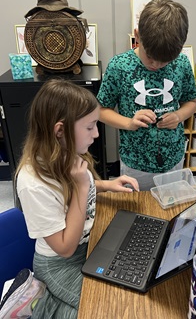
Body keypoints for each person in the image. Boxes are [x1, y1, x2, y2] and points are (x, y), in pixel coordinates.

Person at [1, 79, 139, 319]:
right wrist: (81, 187)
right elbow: (64, 248)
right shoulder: (32, 183)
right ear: (59, 131)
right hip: (59, 264)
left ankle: (51, 300)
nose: (96, 133)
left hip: (87, 245)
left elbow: (66, 194)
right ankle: (43, 306)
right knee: (104, 310)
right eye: (90, 127)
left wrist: (106, 185)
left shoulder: (66, 153)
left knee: (125, 291)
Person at [97, 0, 196, 190]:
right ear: (137, 35)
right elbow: (100, 110)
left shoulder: (182, 63)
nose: (156, 65)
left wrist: (178, 115)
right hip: (135, 163)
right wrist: (129, 123)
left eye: (165, 61)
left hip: (173, 157)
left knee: (170, 209)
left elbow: (192, 101)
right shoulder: (119, 66)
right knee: (137, 211)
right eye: (150, 57)